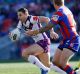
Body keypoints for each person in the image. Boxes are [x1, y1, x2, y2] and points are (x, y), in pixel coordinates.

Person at [26, 0, 80, 74]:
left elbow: (47, 27)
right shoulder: (67, 9)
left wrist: (33, 32)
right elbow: (74, 23)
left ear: (54, 4)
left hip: (72, 39)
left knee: (62, 64)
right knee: (55, 62)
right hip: (67, 39)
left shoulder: (59, 13)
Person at [10, 8, 58, 74]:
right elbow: (17, 31)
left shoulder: (32, 19)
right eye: (18, 15)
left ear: (26, 14)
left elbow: (46, 19)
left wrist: (52, 31)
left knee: (25, 53)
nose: (18, 17)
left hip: (43, 41)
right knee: (47, 64)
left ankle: (44, 69)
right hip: (40, 42)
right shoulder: (21, 22)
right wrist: (14, 36)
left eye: (20, 15)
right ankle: (67, 72)